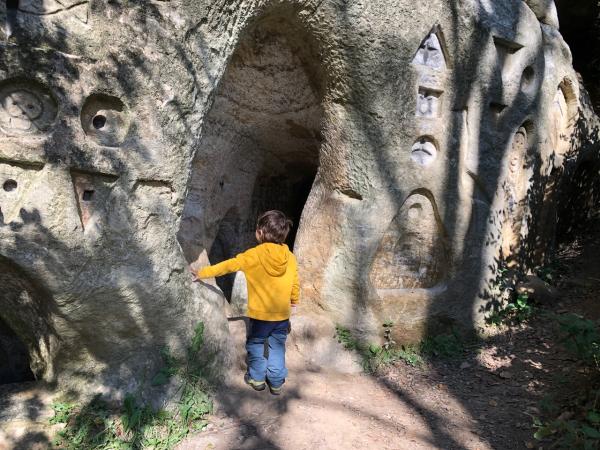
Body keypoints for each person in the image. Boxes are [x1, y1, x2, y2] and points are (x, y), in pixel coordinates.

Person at [191, 210, 299, 395]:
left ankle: (257, 378)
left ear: (260, 232)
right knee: (277, 347)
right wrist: (294, 299)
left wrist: (202, 273)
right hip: (282, 315)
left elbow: (228, 265)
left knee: (257, 344)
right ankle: (276, 381)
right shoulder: (289, 257)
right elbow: (295, 281)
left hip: (260, 315)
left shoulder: (253, 255)